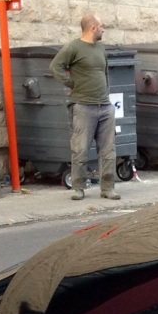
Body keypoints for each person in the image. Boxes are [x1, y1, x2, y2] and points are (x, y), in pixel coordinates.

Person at [49, 13, 120, 200]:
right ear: (93, 28)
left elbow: (105, 74)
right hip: (83, 106)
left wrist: (106, 96)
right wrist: (72, 84)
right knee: (80, 149)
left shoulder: (101, 49)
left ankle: (107, 188)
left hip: (105, 106)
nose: (104, 29)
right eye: (102, 26)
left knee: (108, 151)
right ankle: (79, 187)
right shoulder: (74, 47)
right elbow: (55, 67)